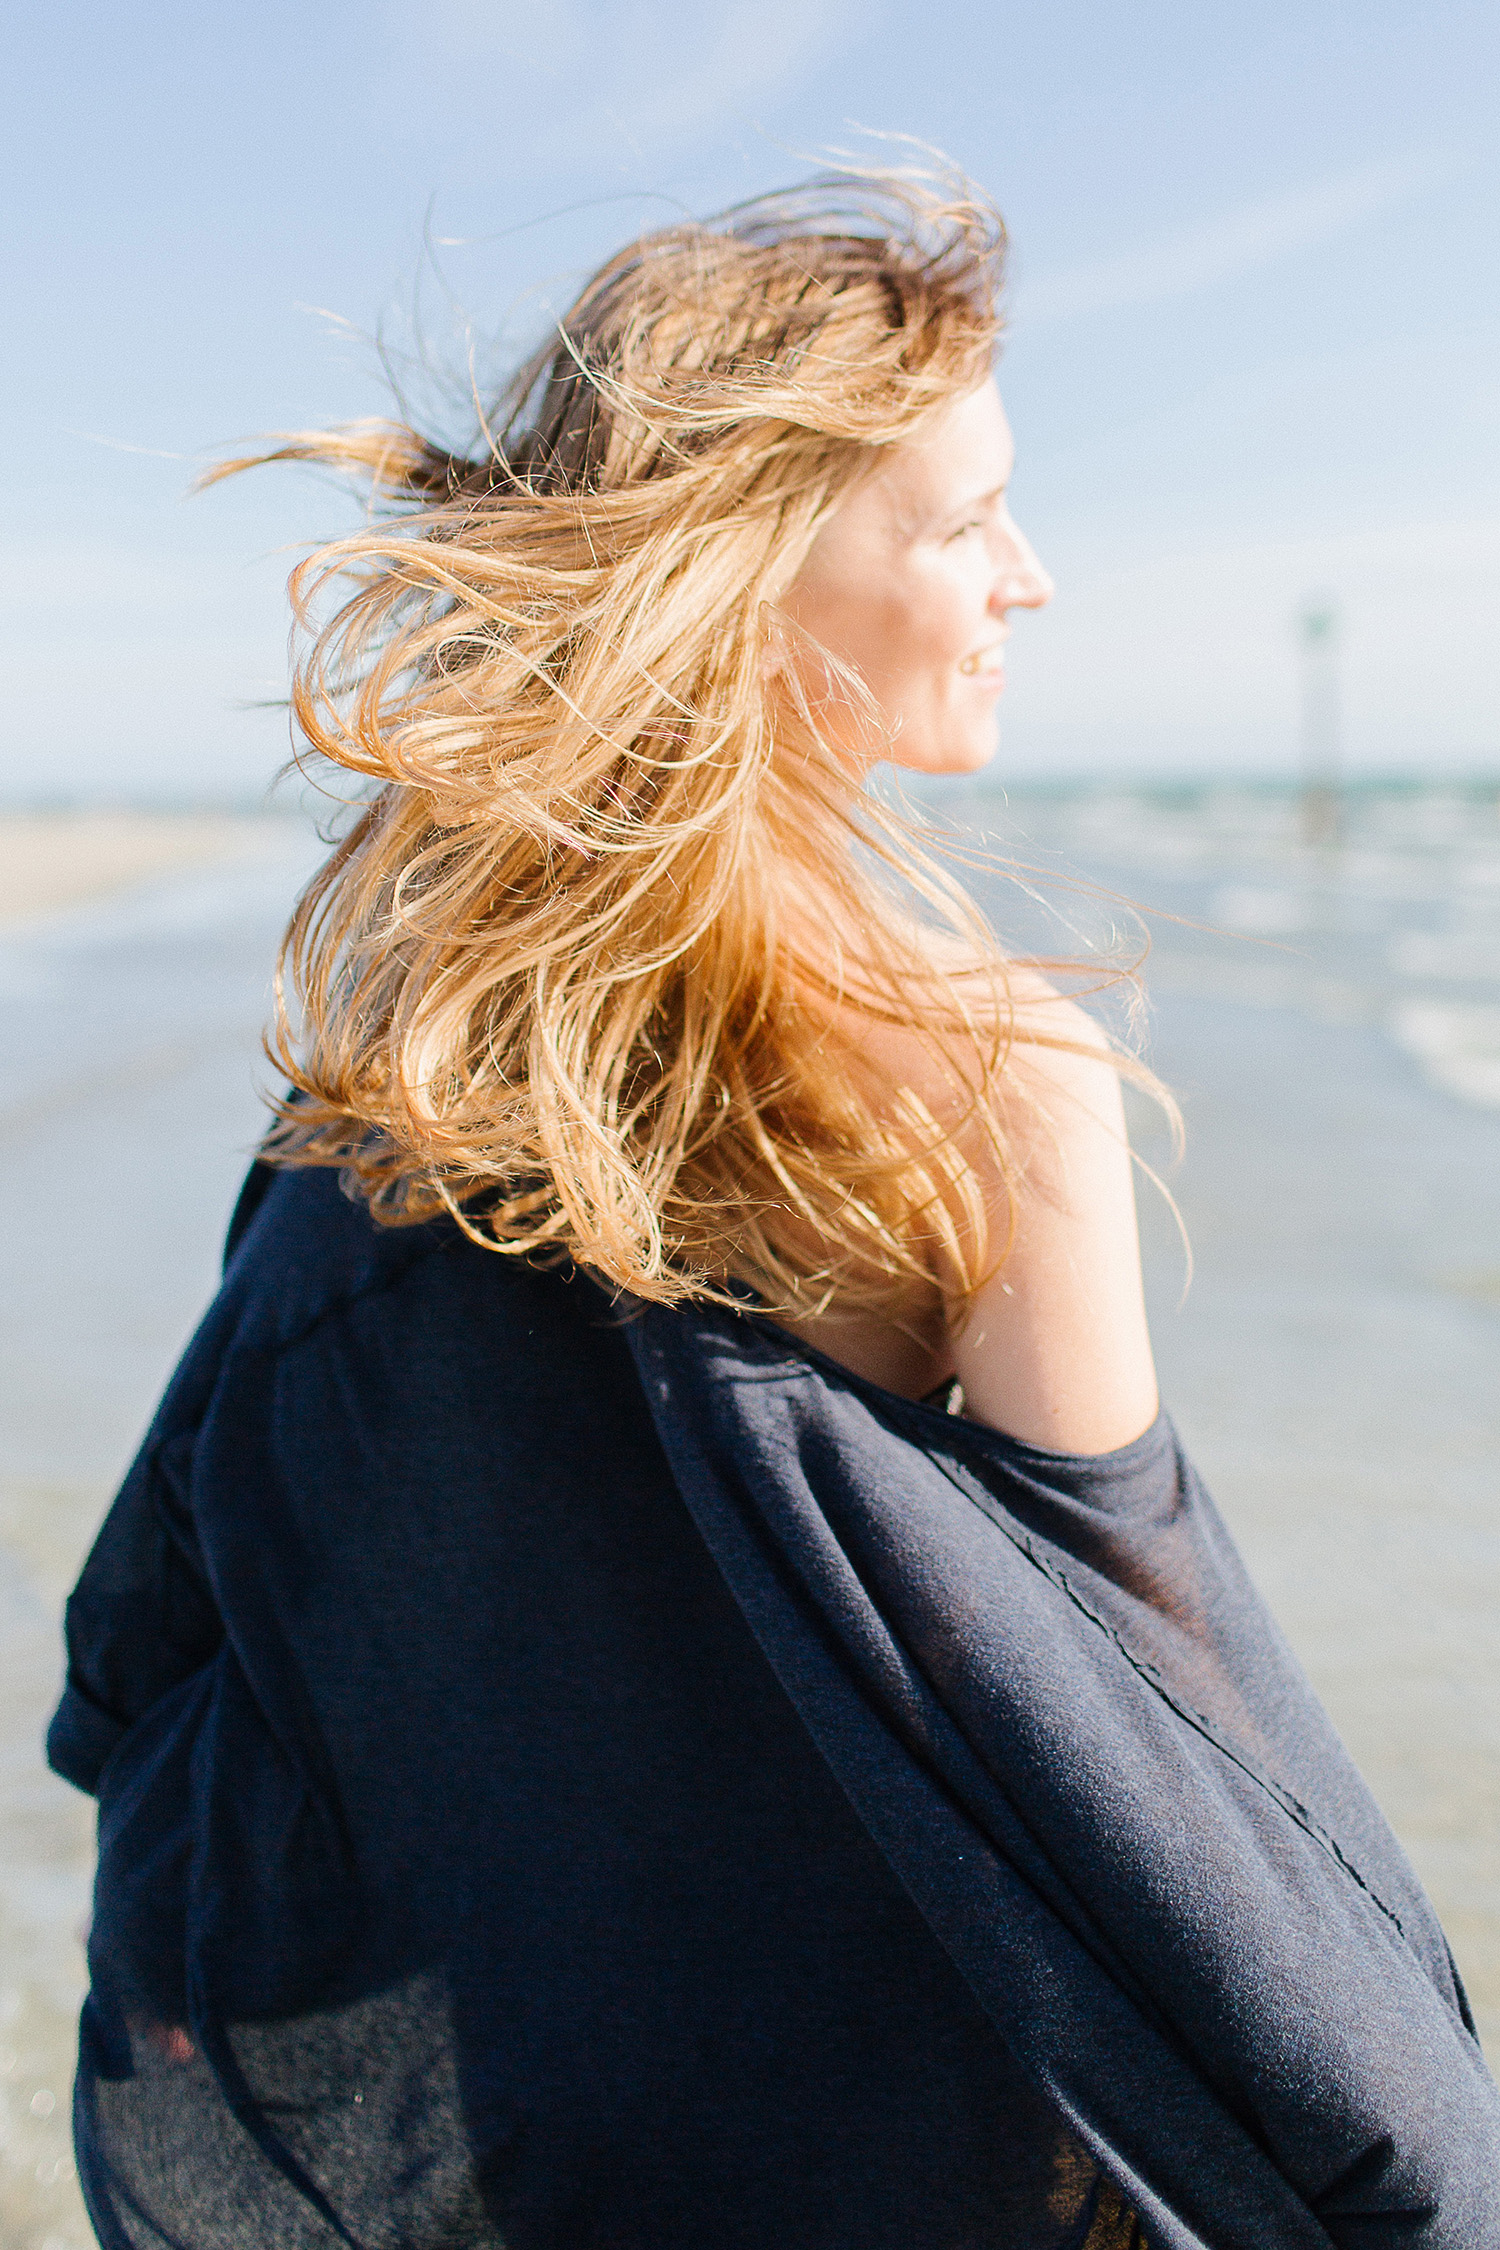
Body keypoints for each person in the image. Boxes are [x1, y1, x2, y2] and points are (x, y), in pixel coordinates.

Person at [48, 169, 1499, 2250]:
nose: (1036, 578)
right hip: (916, 2165)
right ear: (749, 575)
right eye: (966, 518)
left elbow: (163, 1652)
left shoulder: (395, 1093)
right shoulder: (992, 1085)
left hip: (551, 2146)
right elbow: (1184, 1760)